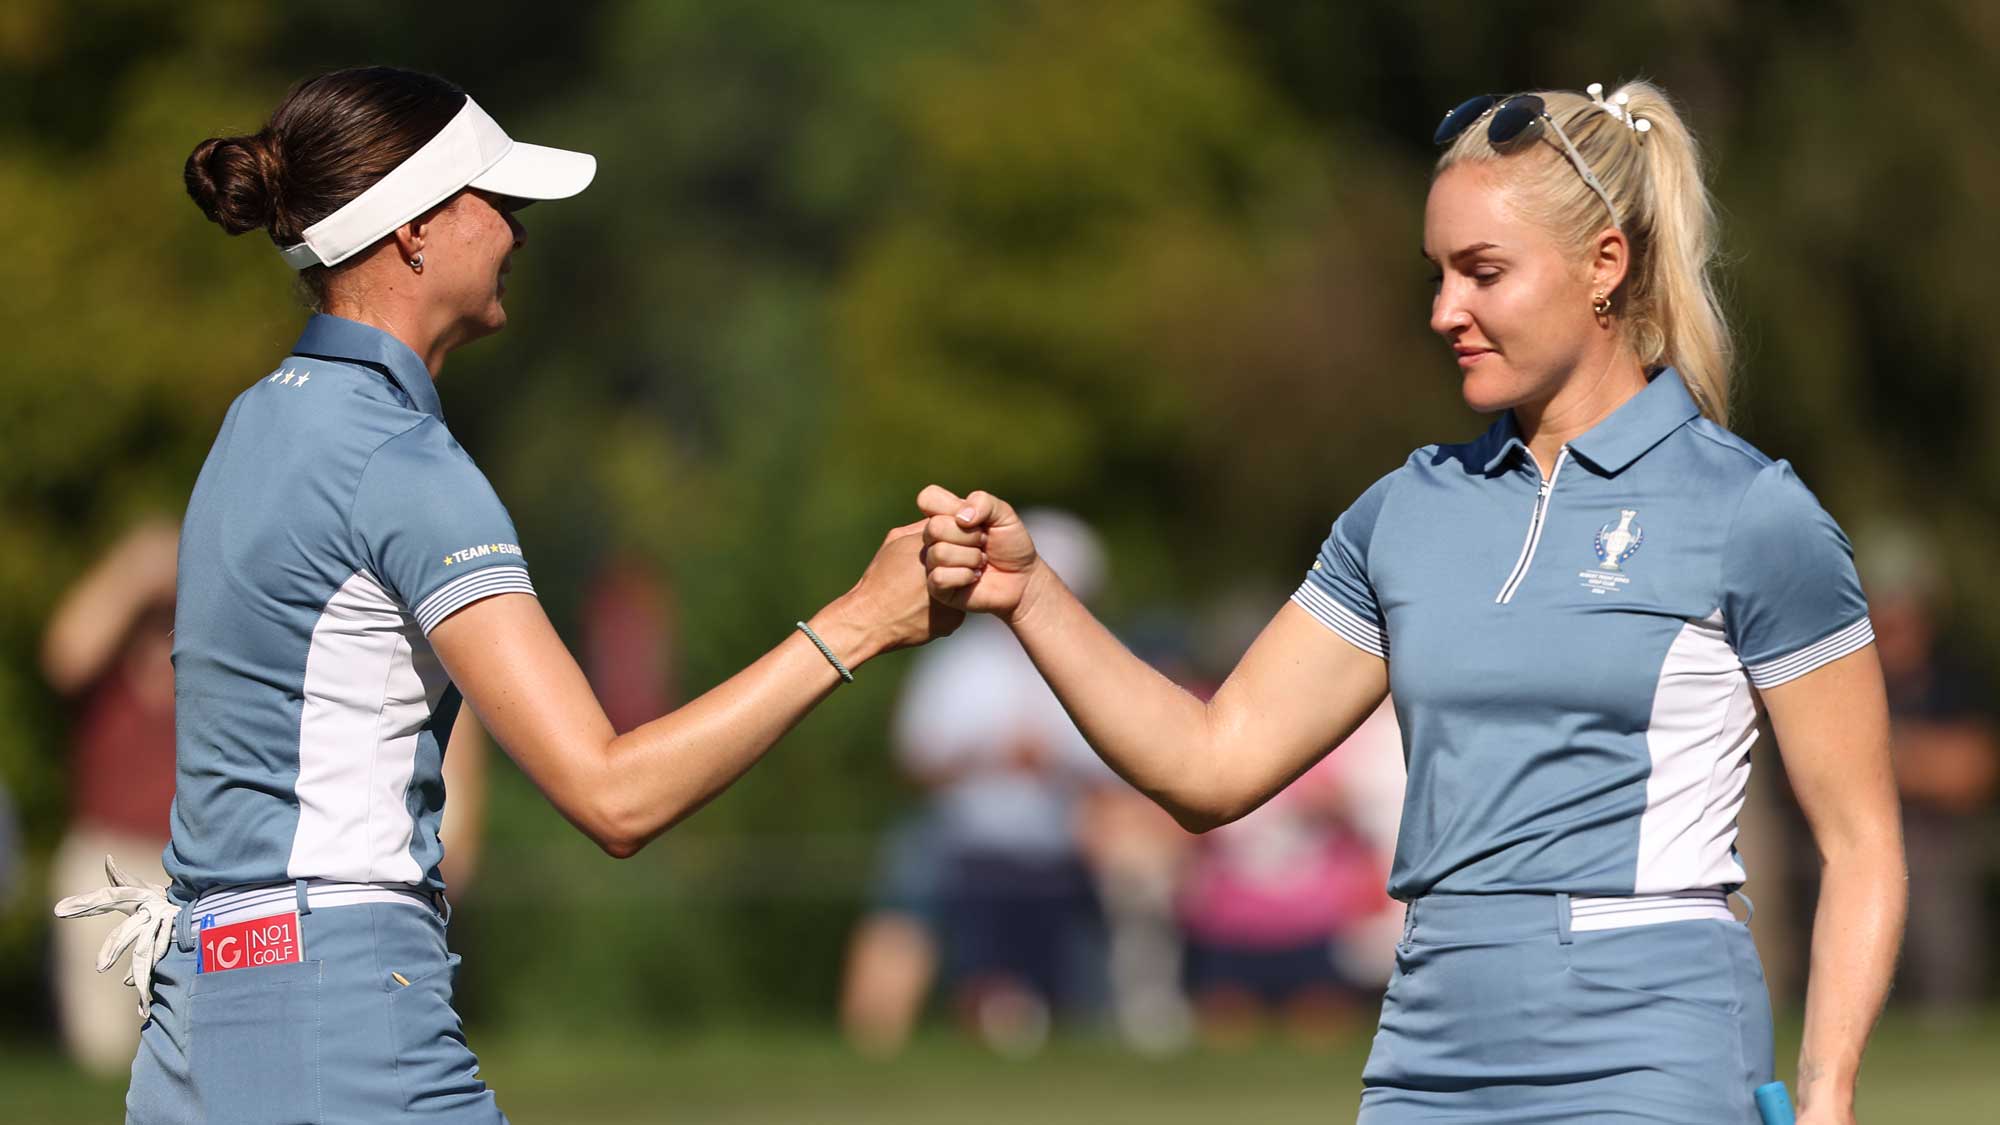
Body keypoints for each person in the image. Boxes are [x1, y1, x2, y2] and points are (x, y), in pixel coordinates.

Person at [917, 80, 1904, 1123]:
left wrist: (1827, 1088)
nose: (1444, 311)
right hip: (1427, 1039)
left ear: (1603, 266)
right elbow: (1210, 764)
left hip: (1653, 1038)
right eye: (1436, 275)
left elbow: (1859, 842)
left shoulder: (1749, 510)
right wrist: (1029, 598)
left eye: (1481, 273)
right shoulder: (1404, 511)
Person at [52, 66, 953, 1124]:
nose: (521, 233)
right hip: (339, 1028)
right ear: (415, 230)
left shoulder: (253, 424)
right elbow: (613, 795)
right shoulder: (399, 458)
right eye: (502, 202)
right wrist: (865, 619)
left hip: (196, 1030)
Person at [39, 520, 181, 1076]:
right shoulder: (109, 649)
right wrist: (131, 570)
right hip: (102, 861)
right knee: (98, 1048)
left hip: (185, 867)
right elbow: (63, 655)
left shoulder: (204, 643)